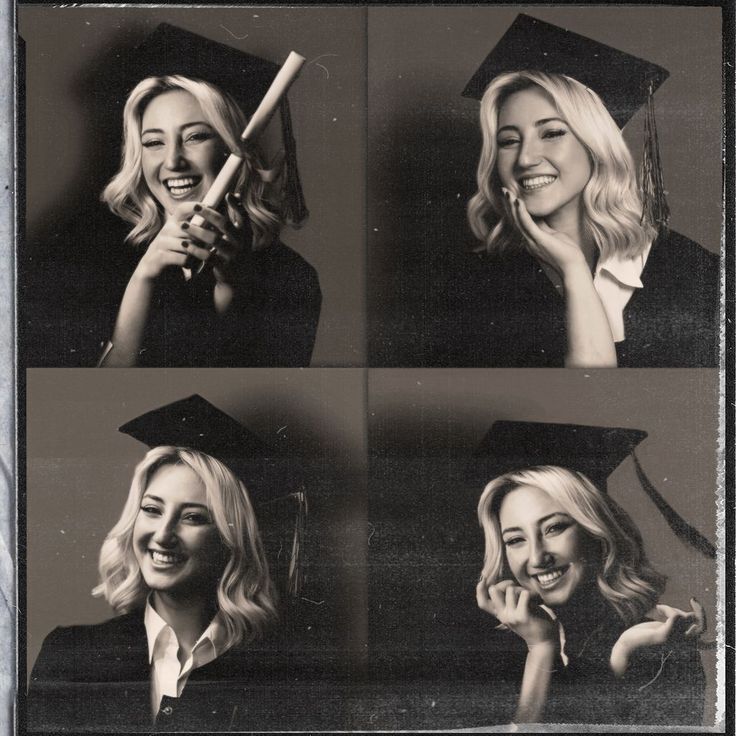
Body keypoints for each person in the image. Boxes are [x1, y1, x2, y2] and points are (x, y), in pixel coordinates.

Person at [432, 14, 718, 367]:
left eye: (551, 133)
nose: (525, 158)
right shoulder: (472, 286)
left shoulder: (694, 273)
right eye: (508, 141)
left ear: (595, 145)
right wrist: (572, 268)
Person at [26, 395, 311, 731]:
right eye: (152, 510)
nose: (163, 535)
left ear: (231, 537)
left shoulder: (281, 674)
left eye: (193, 517)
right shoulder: (71, 656)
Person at [96, 24, 321, 367]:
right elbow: (103, 393)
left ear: (233, 148)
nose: (172, 161)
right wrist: (144, 278)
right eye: (154, 142)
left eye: (195, 136)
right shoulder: (101, 263)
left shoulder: (290, 278)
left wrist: (233, 288)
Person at [474, 421, 711, 725]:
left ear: (596, 532)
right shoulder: (490, 649)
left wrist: (621, 654)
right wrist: (541, 645)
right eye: (516, 540)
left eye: (555, 528)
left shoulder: (657, 644)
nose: (537, 557)